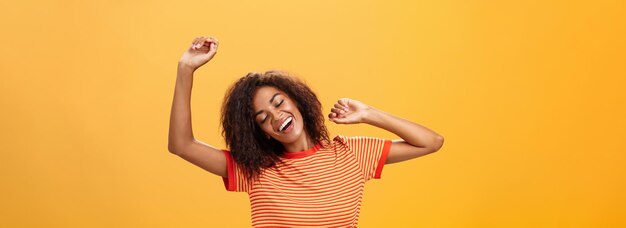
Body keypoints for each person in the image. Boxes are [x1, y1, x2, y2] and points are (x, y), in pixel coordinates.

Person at [168, 36, 445, 227]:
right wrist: (185, 69)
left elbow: (430, 142)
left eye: (279, 103)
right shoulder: (255, 169)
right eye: (264, 118)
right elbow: (181, 145)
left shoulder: (352, 153)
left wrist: (369, 114)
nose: (277, 117)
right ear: (262, 132)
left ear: (297, 101)